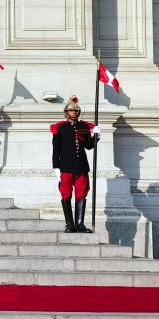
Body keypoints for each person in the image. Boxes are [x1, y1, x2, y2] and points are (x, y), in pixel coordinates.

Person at [51, 96, 100, 233]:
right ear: (66, 113)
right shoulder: (60, 128)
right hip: (65, 166)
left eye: (76, 110)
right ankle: (69, 224)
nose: (74, 112)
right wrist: (56, 166)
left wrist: (96, 136)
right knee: (66, 194)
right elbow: (56, 149)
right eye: (71, 111)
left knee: (81, 195)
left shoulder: (84, 126)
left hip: (81, 166)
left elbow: (89, 146)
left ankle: (79, 224)